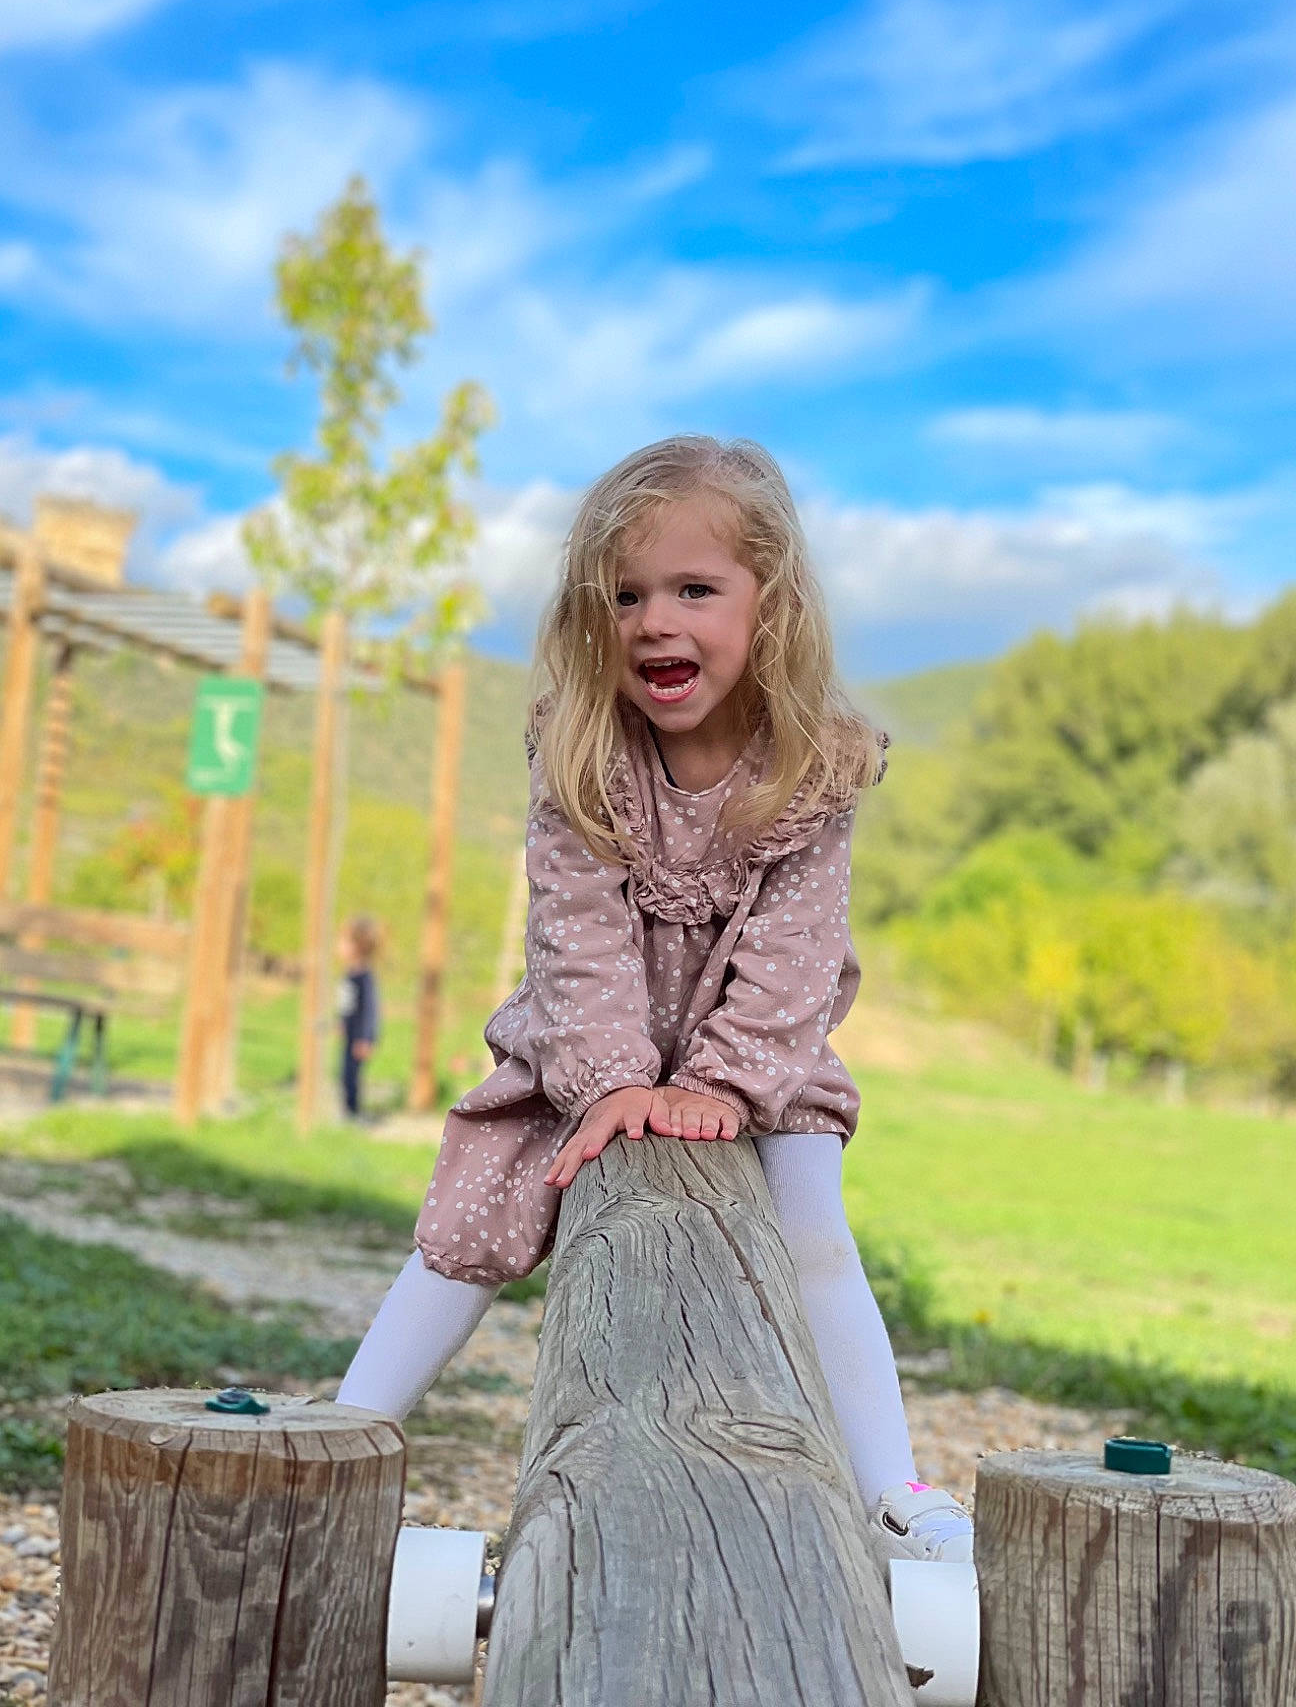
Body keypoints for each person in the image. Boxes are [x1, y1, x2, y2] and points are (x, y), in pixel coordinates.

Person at [338, 435, 972, 1562]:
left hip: (759, 1064)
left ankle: (893, 1486)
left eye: (693, 589)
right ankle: (346, 1433)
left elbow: (797, 949)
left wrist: (723, 1083)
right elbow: (573, 927)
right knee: (468, 1220)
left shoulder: (811, 766)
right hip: (585, 1054)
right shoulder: (585, 746)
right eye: (624, 594)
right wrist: (613, 1079)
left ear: (767, 606)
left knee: (815, 1235)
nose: (653, 621)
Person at [336, 916, 381, 1120]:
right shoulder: (350, 974)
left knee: (351, 1074)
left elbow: (370, 1010)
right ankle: (347, 1109)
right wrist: (341, 1022)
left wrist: (366, 1038)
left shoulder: (364, 977)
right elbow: (347, 1004)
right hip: (350, 1032)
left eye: (343, 942)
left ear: (357, 946)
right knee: (344, 1072)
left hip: (359, 1036)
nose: (338, 946)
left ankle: (353, 1111)